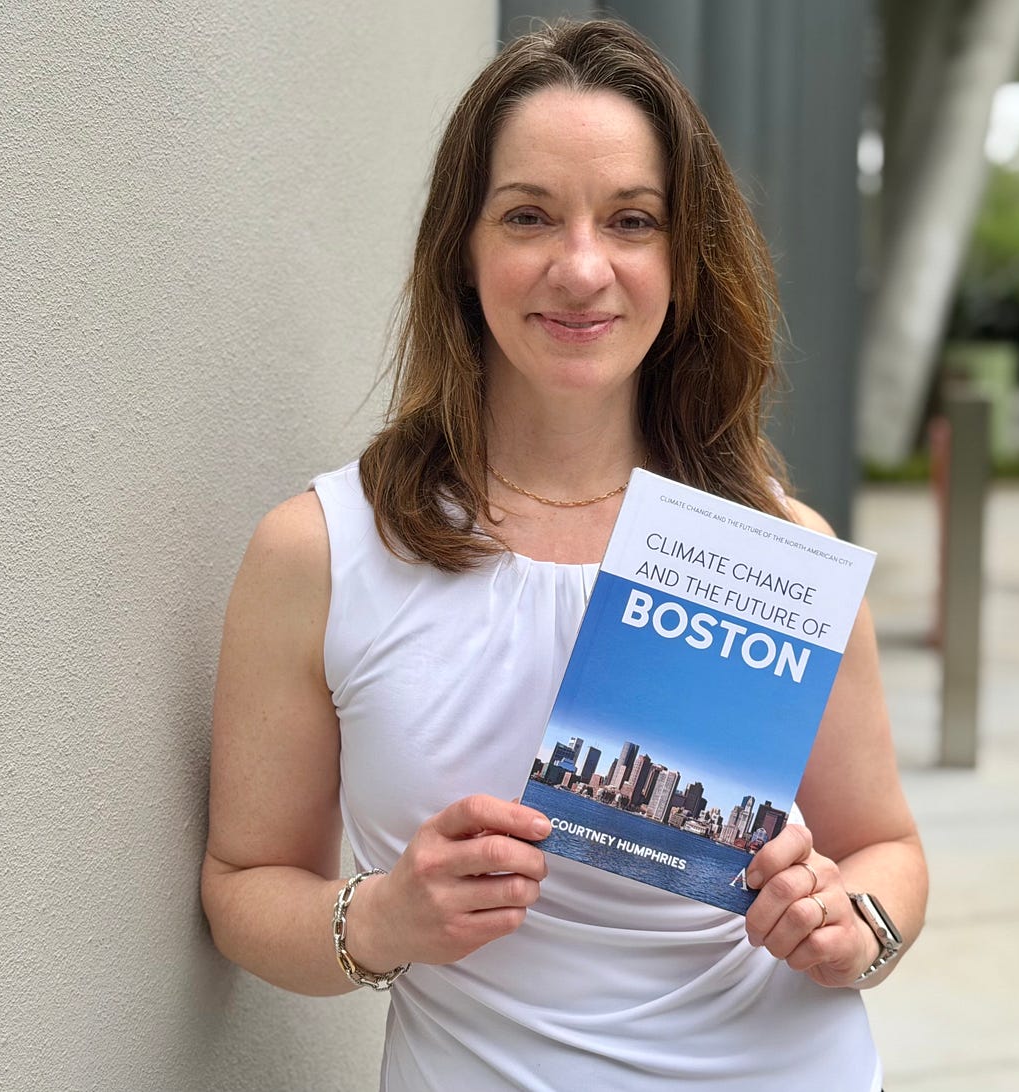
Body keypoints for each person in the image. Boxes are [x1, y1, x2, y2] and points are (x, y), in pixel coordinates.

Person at [202, 18, 926, 1092]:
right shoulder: (322, 551)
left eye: (632, 221)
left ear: (684, 258)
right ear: (463, 247)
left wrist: (852, 926)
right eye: (528, 216)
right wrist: (383, 919)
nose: (581, 268)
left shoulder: (776, 551)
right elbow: (242, 884)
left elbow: (888, 853)